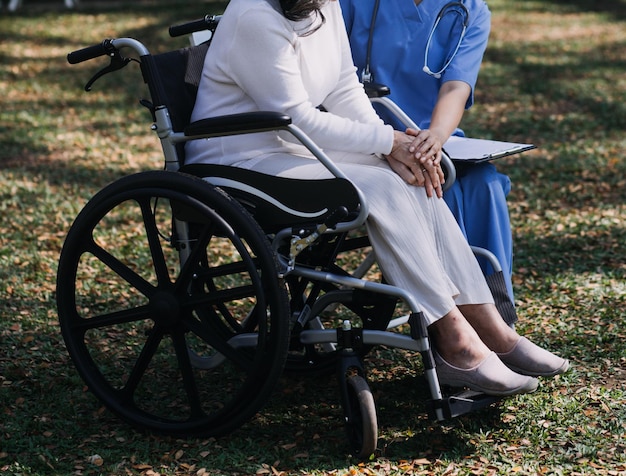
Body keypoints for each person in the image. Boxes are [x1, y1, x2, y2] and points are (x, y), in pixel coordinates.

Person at [185, 0, 569, 396]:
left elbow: (343, 85)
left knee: (412, 175)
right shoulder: (255, 15)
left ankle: (491, 327)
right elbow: (296, 117)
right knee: (382, 185)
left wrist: (389, 148)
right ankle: (455, 341)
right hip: (240, 159)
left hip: (291, 149)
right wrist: (386, 140)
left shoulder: (323, 4)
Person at [340, 0, 516, 302]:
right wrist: (387, 141)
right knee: (432, 184)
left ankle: (497, 310)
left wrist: (434, 136)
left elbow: (455, 87)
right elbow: (331, 75)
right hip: (364, 137)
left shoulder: (471, 10)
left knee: (483, 185)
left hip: (432, 138)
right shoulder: (353, 4)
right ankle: (451, 315)